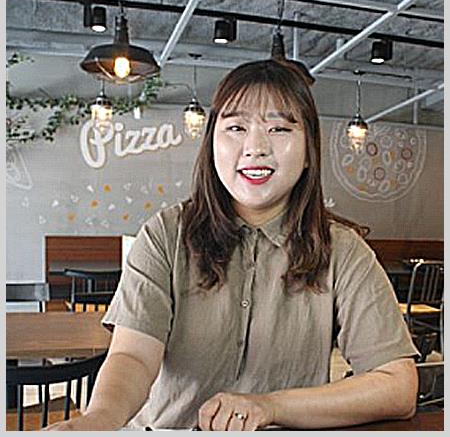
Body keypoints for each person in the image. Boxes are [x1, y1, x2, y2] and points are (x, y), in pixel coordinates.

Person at [45, 59, 419, 431]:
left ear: (309, 152)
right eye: (236, 128)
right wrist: (100, 419)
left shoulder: (342, 250)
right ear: (211, 144)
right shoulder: (165, 234)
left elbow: (397, 386)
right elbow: (133, 356)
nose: (255, 148)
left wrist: (270, 406)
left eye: (279, 128)